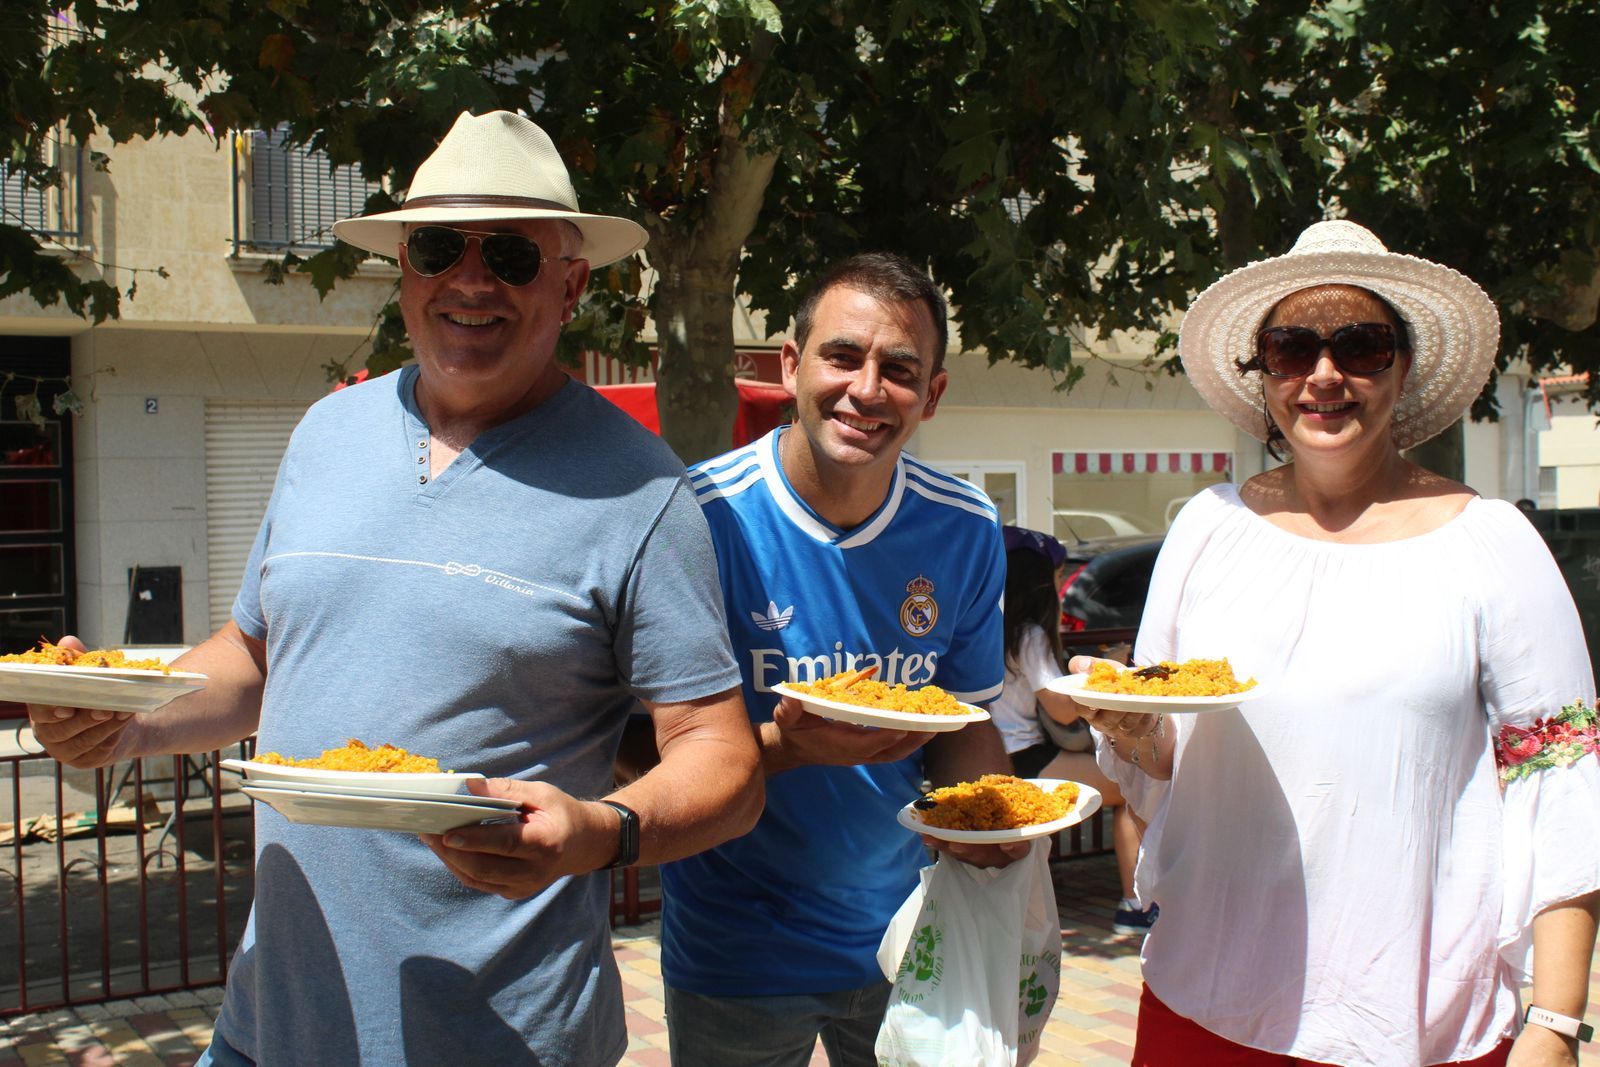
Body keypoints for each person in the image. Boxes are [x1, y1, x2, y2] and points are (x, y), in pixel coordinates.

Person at [26, 110, 764, 1067]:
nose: (470, 279)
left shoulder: (641, 490)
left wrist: (601, 831)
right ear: (403, 269)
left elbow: (725, 763)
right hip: (271, 1027)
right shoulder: (325, 432)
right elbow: (254, 657)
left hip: (503, 1042)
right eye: (437, 247)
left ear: (573, 283)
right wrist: (120, 720)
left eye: (509, 253)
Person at [1071, 219, 1600, 1066]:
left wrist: (1557, 1021)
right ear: (1264, 373)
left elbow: (1561, 779)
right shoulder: (1209, 528)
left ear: (1404, 366)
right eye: (1291, 347)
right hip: (1205, 1003)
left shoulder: (1493, 543)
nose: (1325, 375)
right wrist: (1123, 718)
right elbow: (1164, 746)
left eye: (1360, 344)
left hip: (1416, 1026)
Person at [657, 253, 1018, 1066]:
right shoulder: (698, 518)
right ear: (791, 365)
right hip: (733, 951)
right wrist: (788, 747)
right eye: (843, 356)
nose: (866, 390)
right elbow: (635, 749)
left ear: (932, 394)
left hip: (906, 939)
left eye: (898, 369)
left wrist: (998, 815)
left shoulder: (963, 526)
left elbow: (963, 717)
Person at [995, 525, 1154, 934]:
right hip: (1028, 757)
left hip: (1000, 753)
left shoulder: (994, 626)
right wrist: (1101, 674)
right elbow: (1063, 712)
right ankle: (1134, 905)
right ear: (1037, 581)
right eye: (1057, 574)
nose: (1061, 583)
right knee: (1131, 787)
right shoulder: (1029, 634)